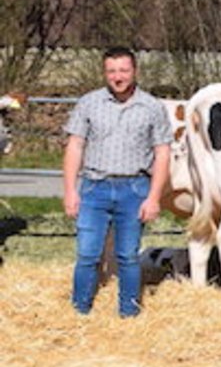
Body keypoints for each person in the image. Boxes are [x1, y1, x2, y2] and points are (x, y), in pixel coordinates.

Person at [63, 46, 172, 318]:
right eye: (111, 71)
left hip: (134, 188)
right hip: (93, 187)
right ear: (104, 73)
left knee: (128, 256)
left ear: (134, 71)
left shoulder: (151, 107)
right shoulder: (89, 103)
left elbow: (162, 153)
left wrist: (154, 197)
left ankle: (128, 312)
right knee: (87, 254)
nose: (118, 76)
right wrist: (69, 190)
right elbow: (75, 145)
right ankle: (79, 311)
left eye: (123, 70)